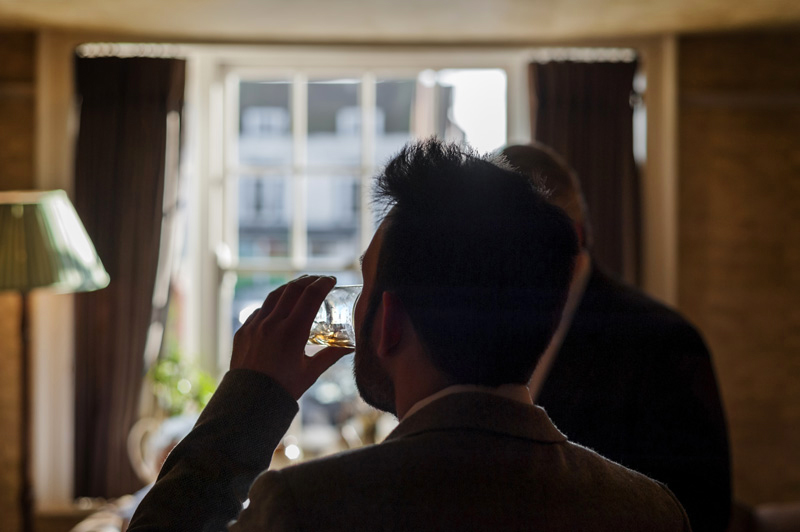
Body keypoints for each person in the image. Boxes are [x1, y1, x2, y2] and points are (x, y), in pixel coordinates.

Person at [128, 139, 691, 532]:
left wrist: (250, 400)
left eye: (367, 283)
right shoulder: (650, 511)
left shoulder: (307, 508)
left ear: (390, 322)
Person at [502, 142, 731, 532]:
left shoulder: (665, 344)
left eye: (510, 241)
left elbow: (700, 510)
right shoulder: (490, 326)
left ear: (570, 238)